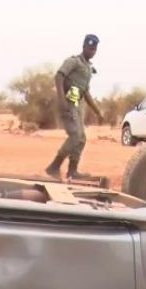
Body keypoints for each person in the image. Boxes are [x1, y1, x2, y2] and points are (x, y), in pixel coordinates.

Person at [45, 34, 104, 180]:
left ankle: (72, 171)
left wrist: (98, 112)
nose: (92, 51)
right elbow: (59, 76)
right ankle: (54, 166)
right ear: (83, 47)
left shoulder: (88, 68)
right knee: (75, 135)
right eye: (90, 48)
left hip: (77, 103)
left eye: (94, 49)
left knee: (81, 138)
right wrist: (61, 99)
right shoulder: (74, 62)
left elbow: (86, 92)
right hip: (67, 102)